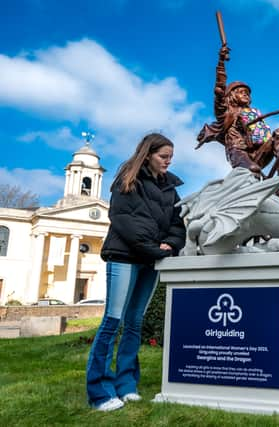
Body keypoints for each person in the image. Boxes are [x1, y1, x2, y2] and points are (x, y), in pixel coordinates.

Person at [86, 133, 186, 411]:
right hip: (125, 257)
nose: (168, 162)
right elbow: (124, 220)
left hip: (151, 259)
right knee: (113, 321)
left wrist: (171, 244)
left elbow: (178, 224)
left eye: (170, 157)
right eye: (163, 156)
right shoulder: (127, 180)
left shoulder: (170, 188)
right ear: (148, 154)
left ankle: (126, 384)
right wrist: (156, 248)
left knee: (134, 323)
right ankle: (100, 392)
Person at [195, 45, 279, 184]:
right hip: (238, 152)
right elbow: (219, 90)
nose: (246, 94)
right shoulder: (225, 112)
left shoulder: (252, 112)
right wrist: (221, 62)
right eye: (241, 92)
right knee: (253, 170)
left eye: (247, 93)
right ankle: (258, 184)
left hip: (258, 151)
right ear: (232, 96)